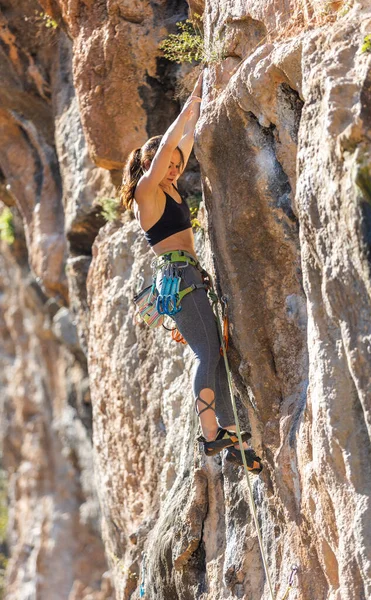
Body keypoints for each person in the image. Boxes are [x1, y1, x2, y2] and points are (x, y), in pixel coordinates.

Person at [120, 74, 262, 474]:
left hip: (190, 278)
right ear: (150, 164)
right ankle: (211, 433)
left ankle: (232, 435)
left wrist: (201, 98)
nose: (174, 169)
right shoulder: (147, 192)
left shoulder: (170, 186)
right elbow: (168, 145)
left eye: (179, 167)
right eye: (169, 165)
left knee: (216, 353)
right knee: (207, 352)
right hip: (179, 279)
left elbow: (181, 144)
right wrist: (188, 104)